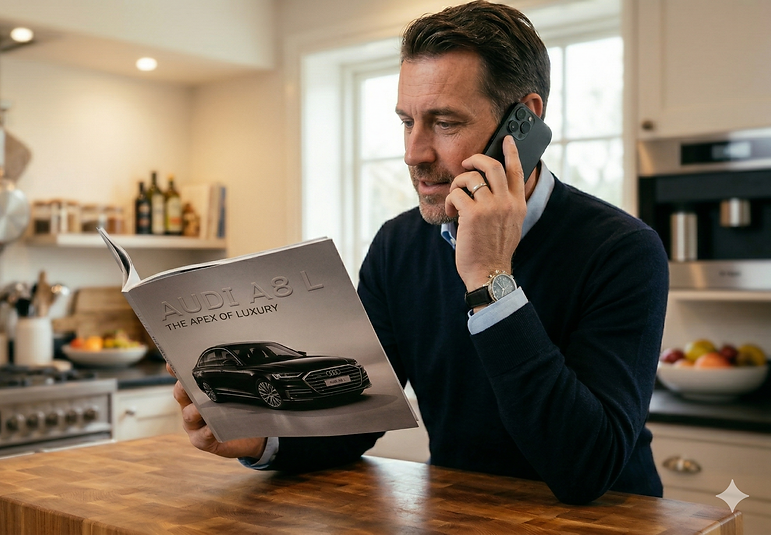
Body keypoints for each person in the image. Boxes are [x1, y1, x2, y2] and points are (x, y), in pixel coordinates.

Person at [169, 0, 668, 505]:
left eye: (445, 122)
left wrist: (490, 279)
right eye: (408, 121)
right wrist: (264, 441)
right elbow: (359, 415)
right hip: (460, 514)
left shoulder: (623, 250)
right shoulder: (397, 245)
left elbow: (585, 468)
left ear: (524, 121)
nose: (414, 153)